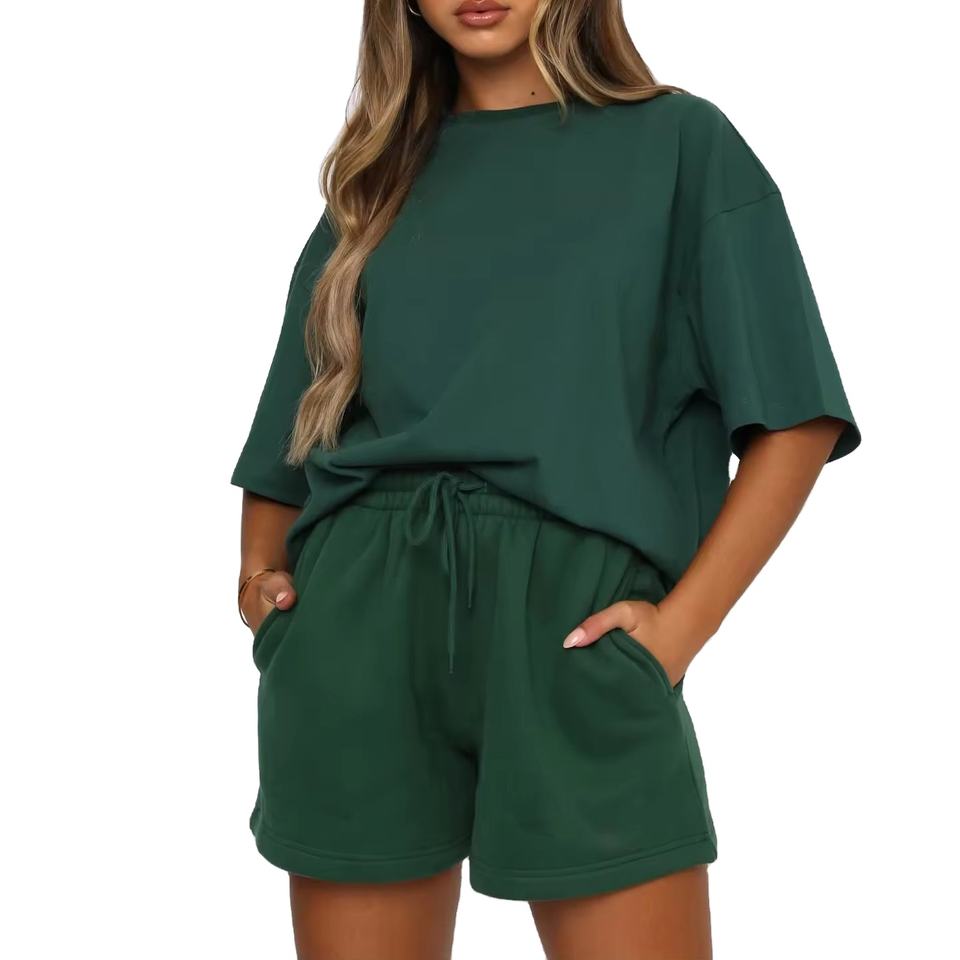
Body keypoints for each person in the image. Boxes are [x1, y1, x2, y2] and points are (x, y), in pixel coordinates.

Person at [230, 1, 861, 957]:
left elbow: (795, 417)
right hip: (358, 630)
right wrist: (263, 583)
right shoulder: (378, 175)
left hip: (573, 628)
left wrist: (678, 633)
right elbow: (296, 412)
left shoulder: (681, 146)